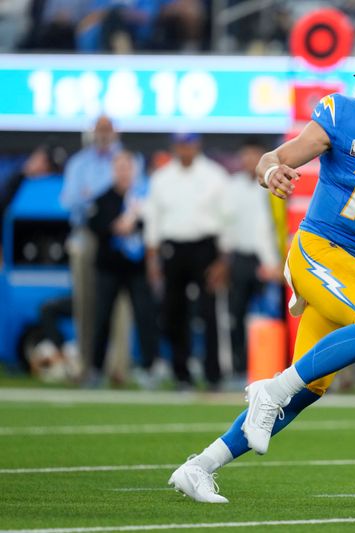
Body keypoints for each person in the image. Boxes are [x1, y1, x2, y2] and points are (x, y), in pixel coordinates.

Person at [168, 31, 355, 503]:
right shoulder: (342, 115)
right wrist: (270, 172)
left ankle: (200, 466)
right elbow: (272, 158)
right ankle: (270, 389)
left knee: (309, 388)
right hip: (317, 252)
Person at [143, 132, 231, 390]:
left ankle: (214, 374)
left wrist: (223, 260)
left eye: (189, 145)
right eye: (181, 145)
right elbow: (153, 221)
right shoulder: (161, 178)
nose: (185, 150)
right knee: (174, 312)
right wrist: (152, 259)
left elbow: (226, 220)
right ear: (174, 147)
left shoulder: (215, 176)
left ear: (197, 146)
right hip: (173, 248)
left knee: (209, 311)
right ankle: (181, 374)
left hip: (205, 247)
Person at [85, 150, 160, 388]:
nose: (124, 172)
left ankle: (150, 369)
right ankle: (95, 369)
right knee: (102, 319)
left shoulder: (142, 198)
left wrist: (134, 223)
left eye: (127, 168)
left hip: (136, 269)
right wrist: (113, 228)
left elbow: (152, 226)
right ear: (113, 171)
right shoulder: (103, 199)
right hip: (109, 268)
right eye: (119, 168)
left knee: (144, 317)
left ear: (134, 171)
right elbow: (93, 226)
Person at [60, 115, 127, 371]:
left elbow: (134, 190)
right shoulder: (79, 162)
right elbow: (68, 201)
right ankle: (86, 364)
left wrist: (94, 195)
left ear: (115, 133)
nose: (103, 134)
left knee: (121, 304)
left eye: (107, 130)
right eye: (99, 130)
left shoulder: (126, 158)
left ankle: (119, 367)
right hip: (88, 234)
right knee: (85, 301)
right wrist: (105, 193)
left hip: (118, 234)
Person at [227, 138, 283, 383]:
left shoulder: (273, 186)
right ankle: (240, 369)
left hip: (268, 261)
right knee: (236, 314)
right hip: (240, 258)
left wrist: (272, 263)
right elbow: (226, 224)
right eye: (246, 155)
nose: (249, 161)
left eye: (254, 156)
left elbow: (270, 228)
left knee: (272, 314)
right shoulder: (232, 186)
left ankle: (273, 367)